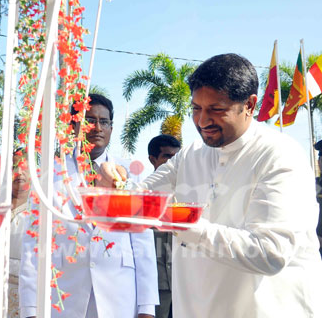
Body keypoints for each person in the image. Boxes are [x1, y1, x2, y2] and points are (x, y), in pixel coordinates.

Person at [112, 54, 322, 317]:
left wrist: (184, 224)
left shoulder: (280, 155)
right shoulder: (190, 155)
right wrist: (116, 179)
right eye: (196, 109)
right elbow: (140, 194)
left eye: (216, 109)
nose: (202, 121)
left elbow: (269, 252)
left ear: (250, 105)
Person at [19, 93, 158, 318]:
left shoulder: (130, 174)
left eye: (104, 122)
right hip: (64, 298)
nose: (97, 128)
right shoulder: (49, 174)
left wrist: (147, 308)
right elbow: (32, 243)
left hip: (120, 298)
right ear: (74, 125)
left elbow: (143, 242)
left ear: (111, 128)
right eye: (90, 120)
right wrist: (30, 308)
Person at [0, 149, 31, 318]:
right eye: (14, 167)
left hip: (27, 284)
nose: (19, 172)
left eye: (23, 167)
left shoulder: (40, 208)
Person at [147, 135, 180, 318]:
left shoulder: (186, 194)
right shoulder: (142, 196)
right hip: (154, 286)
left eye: (177, 156)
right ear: (153, 159)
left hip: (182, 284)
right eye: (167, 157)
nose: (173, 162)